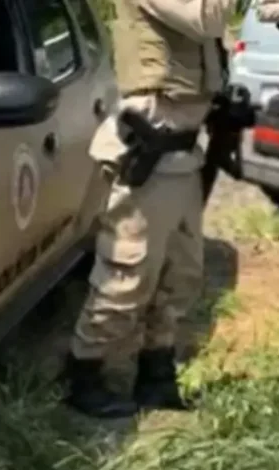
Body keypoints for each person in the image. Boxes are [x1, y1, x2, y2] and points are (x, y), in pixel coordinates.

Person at [57, 0, 237, 419]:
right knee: (127, 273)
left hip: (182, 151)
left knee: (183, 271)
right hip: (152, 148)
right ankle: (84, 374)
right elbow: (206, 16)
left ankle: (156, 375)